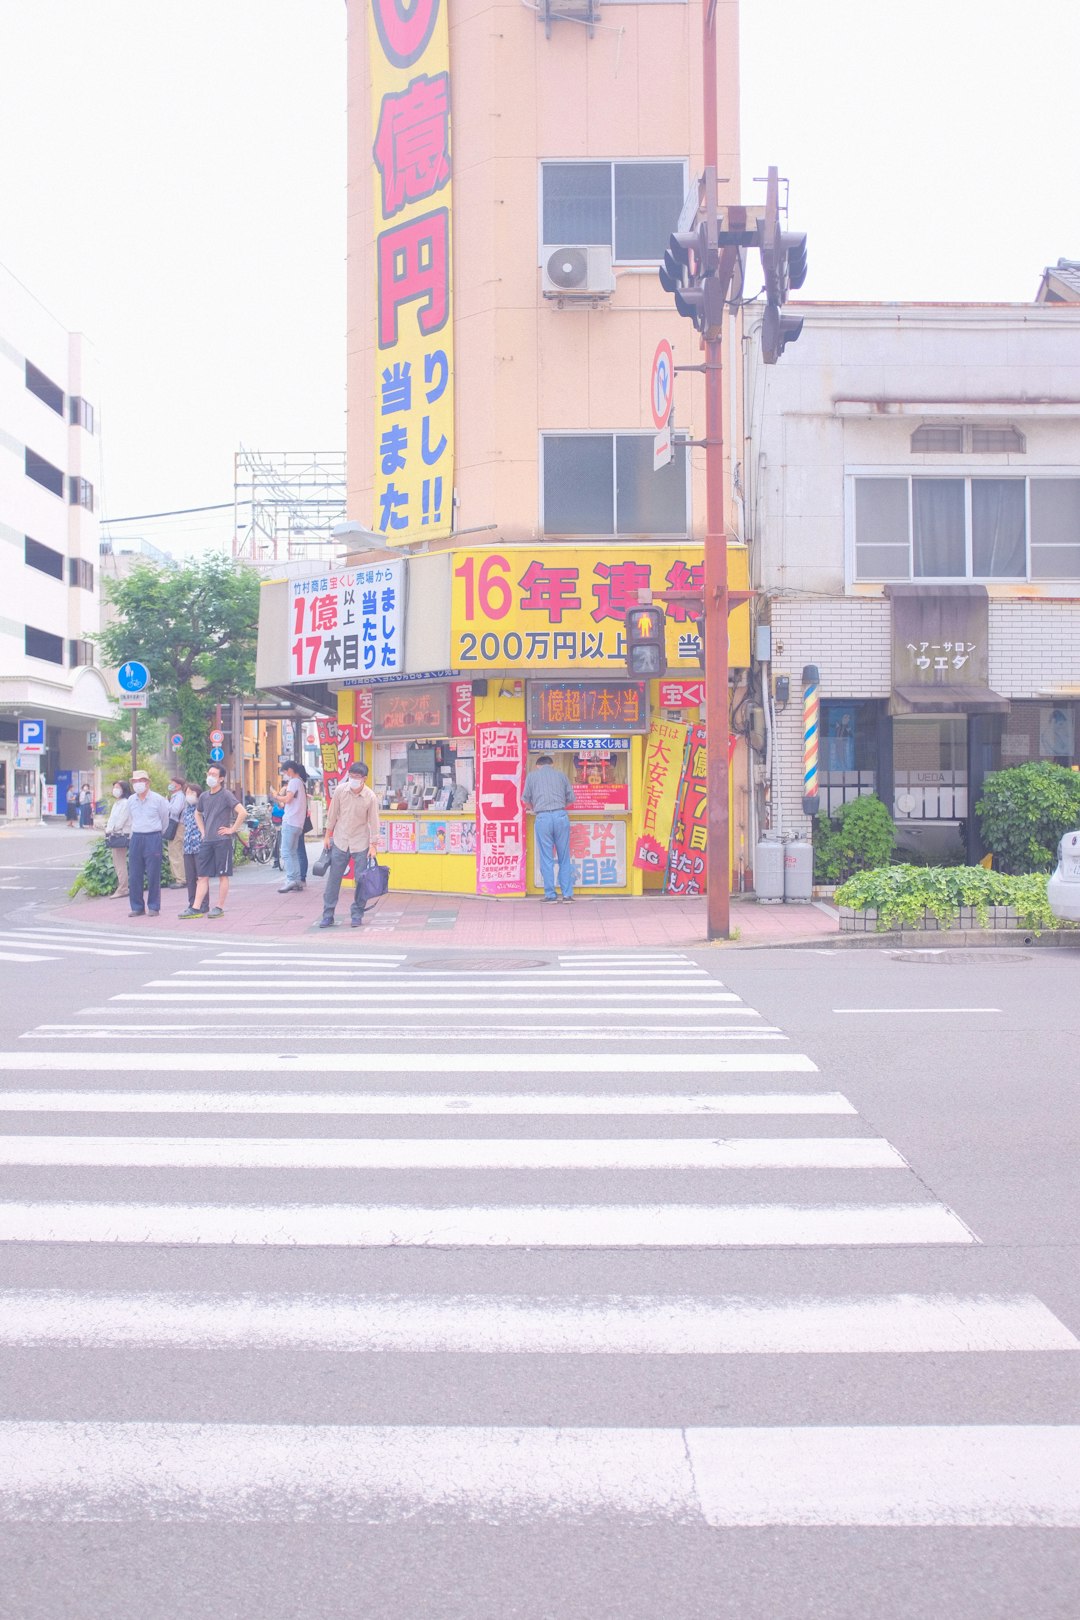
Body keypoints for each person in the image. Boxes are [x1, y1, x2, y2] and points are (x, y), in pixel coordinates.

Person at [319, 760, 380, 929]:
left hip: (360, 843)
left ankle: (357, 913)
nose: (352, 780)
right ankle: (328, 914)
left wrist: (373, 845)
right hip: (340, 840)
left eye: (356, 777)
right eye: (351, 776)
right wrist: (327, 835)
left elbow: (374, 822)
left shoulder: (370, 797)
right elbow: (332, 814)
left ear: (364, 779)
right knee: (333, 880)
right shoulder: (340, 790)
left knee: (361, 881)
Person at [181, 763, 247, 920]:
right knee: (202, 876)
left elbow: (242, 812)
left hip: (222, 841)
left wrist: (232, 830)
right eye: (209, 773)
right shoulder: (203, 796)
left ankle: (219, 907)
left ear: (221, 778)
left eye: (214, 775)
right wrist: (203, 831)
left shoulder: (226, 795)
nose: (210, 777)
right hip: (207, 841)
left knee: (223, 875)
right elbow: (198, 814)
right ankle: (196, 907)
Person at [523, 753, 575, 903]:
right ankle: (567, 895)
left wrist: (534, 808)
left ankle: (550, 895)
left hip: (543, 817)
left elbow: (525, 799)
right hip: (560, 816)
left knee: (546, 858)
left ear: (537, 766)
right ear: (552, 764)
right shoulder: (561, 775)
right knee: (564, 857)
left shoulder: (532, 777)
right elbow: (571, 799)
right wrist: (558, 807)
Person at [126, 769, 170, 917]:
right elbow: (131, 818)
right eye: (135, 781)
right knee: (134, 874)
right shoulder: (131, 800)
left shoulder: (158, 800)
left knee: (153, 873)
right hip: (136, 837)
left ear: (147, 782)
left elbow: (165, 820)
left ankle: (153, 906)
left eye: (141, 781)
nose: (138, 784)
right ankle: (137, 907)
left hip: (153, 837)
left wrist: (157, 834)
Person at [269, 760, 308, 894]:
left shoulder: (293, 782)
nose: (285, 775)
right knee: (293, 852)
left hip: (290, 821)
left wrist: (276, 796)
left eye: (285, 772)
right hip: (298, 823)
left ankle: (291, 879)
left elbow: (288, 799)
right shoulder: (301, 783)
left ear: (290, 770)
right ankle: (297, 880)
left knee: (286, 851)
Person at [179, 781, 208, 914]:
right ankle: (192, 903)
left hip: (199, 846)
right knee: (190, 878)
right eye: (187, 792)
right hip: (188, 847)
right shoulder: (186, 810)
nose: (189, 795)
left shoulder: (203, 809)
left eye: (192, 792)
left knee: (201, 877)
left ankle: (203, 904)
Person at [104, 780, 133, 898]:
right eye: (114, 787)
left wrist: (111, 830)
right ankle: (122, 886)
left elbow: (121, 821)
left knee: (120, 862)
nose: (115, 790)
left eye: (117, 787)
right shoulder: (117, 803)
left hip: (120, 835)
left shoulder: (126, 803)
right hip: (114, 834)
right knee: (117, 862)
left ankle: (123, 888)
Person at [164, 775, 187, 889]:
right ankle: (181, 877)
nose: (170, 784)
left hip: (177, 826)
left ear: (178, 786)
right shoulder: (176, 796)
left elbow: (175, 810)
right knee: (175, 851)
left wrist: (166, 803)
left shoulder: (179, 796)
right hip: (177, 825)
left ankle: (181, 879)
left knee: (175, 851)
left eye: (172, 783)